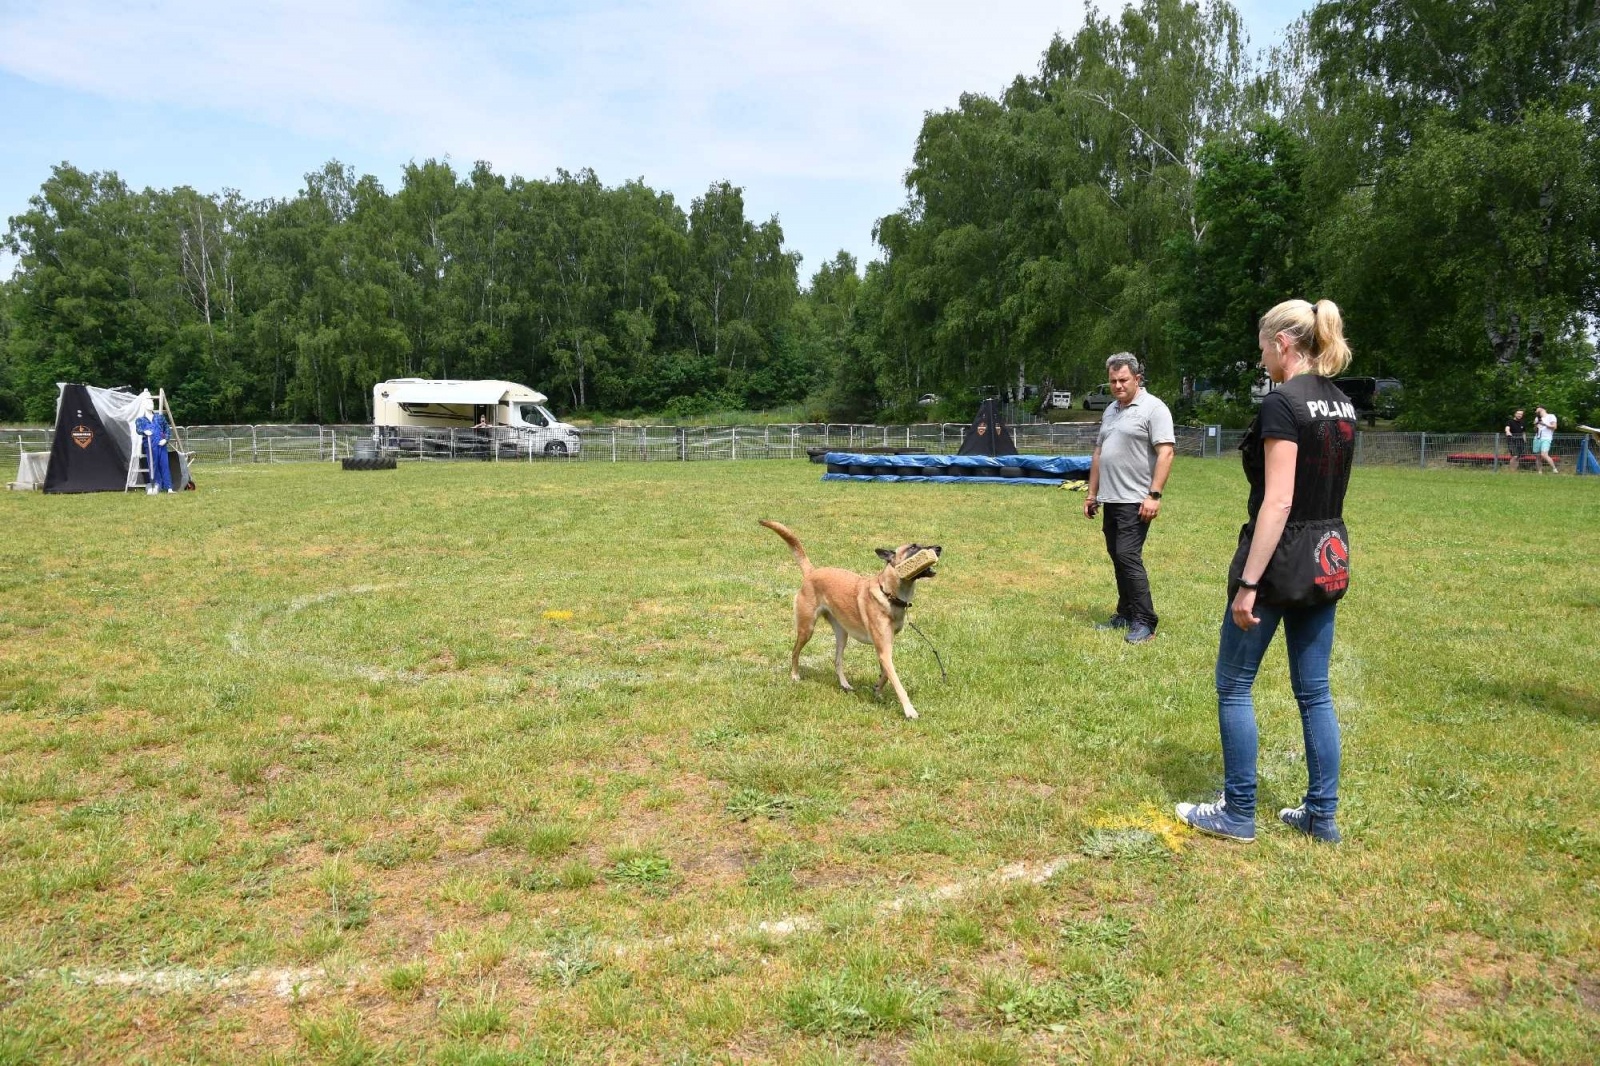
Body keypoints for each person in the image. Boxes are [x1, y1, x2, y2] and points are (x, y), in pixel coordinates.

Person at [1176, 299, 1357, 845]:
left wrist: (1249, 584)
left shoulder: (1283, 402)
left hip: (1279, 558)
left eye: (1262, 348)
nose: (1261, 360)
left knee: (1233, 685)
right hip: (1327, 554)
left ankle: (1238, 812)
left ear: (1282, 343)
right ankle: (1321, 816)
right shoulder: (1341, 402)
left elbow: (1278, 501)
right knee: (1315, 692)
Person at [1083, 353, 1175, 644]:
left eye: (1123, 380)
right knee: (1118, 555)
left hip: (1136, 499)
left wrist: (1154, 495)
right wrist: (1092, 493)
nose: (1118, 386)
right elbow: (1099, 452)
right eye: (1113, 381)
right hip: (1111, 497)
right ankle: (1125, 613)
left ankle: (1145, 621)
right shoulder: (1111, 410)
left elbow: (1166, 452)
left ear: (1137, 378)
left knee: (1127, 556)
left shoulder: (1154, 408)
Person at [1533, 406, 1558, 473]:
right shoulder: (1537, 418)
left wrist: (1544, 424)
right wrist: (1536, 425)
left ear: (1542, 409)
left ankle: (1554, 469)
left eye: (1537, 409)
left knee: (1544, 454)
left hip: (1546, 438)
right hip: (1537, 438)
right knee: (1538, 456)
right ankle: (1539, 472)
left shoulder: (1551, 416)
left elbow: (1554, 427)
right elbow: (1535, 430)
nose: (1536, 410)